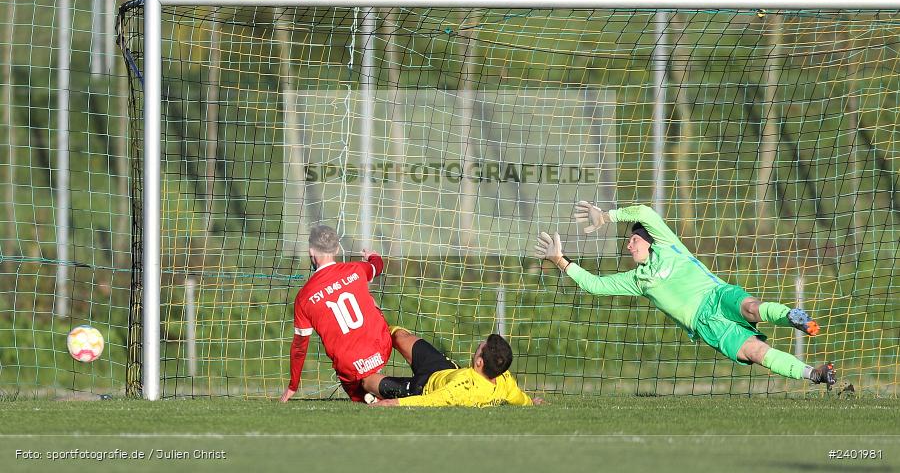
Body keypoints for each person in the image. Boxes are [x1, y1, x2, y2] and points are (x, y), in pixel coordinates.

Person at [534, 203, 836, 388]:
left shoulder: (667, 243)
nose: (629, 246)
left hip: (716, 295)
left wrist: (607, 216)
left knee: (750, 308)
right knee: (755, 353)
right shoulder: (639, 280)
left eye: (634, 240)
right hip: (706, 325)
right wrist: (560, 260)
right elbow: (595, 285)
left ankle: (791, 316)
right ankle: (815, 374)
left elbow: (644, 212)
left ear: (650, 241)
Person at [280, 225, 392, 403]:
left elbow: (300, 347)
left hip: (349, 366)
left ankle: (369, 395)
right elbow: (377, 267)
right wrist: (372, 255)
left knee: (362, 397)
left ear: (311, 251)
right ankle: (384, 385)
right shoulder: (356, 269)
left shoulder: (303, 297)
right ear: (337, 249)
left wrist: (293, 386)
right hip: (382, 349)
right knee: (370, 302)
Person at [367, 328, 543, 407]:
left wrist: (393, 403)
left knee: (367, 381)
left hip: (421, 388)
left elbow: (430, 401)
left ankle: (369, 395)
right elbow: (518, 397)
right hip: (446, 369)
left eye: (481, 347)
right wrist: (531, 403)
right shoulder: (505, 380)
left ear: (480, 362)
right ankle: (370, 327)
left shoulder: (463, 388)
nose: (478, 346)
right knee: (400, 336)